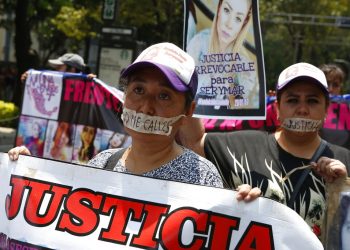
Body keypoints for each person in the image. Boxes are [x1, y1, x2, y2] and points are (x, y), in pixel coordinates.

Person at [178, 62, 349, 241]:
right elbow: (194, 140)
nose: (302, 109)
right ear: (277, 108)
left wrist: (341, 188)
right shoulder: (242, 146)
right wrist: (187, 84)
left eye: (312, 101)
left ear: (327, 109)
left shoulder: (344, 161)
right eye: (292, 100)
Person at [87, 42, 223, 188]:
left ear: (188, 111)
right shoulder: (101, 165)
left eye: (164, 96)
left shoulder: (202, 179)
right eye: (138, 90)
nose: (146, 108)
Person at [187, 0, 258, 109]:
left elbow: (244, 104)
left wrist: (231, 95)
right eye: (226, 10)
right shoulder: (199, 43)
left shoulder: (244, 63)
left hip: (222, 123)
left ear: (243, 23)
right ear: (219, 9)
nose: (229, 24)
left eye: (238, 19)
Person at [20, 53, 96, 82]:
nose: (55, 70)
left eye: (59, 67)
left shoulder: (87, 84)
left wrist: (92, 84)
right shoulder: (54, 84)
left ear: (72, 70)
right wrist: (29, 77)